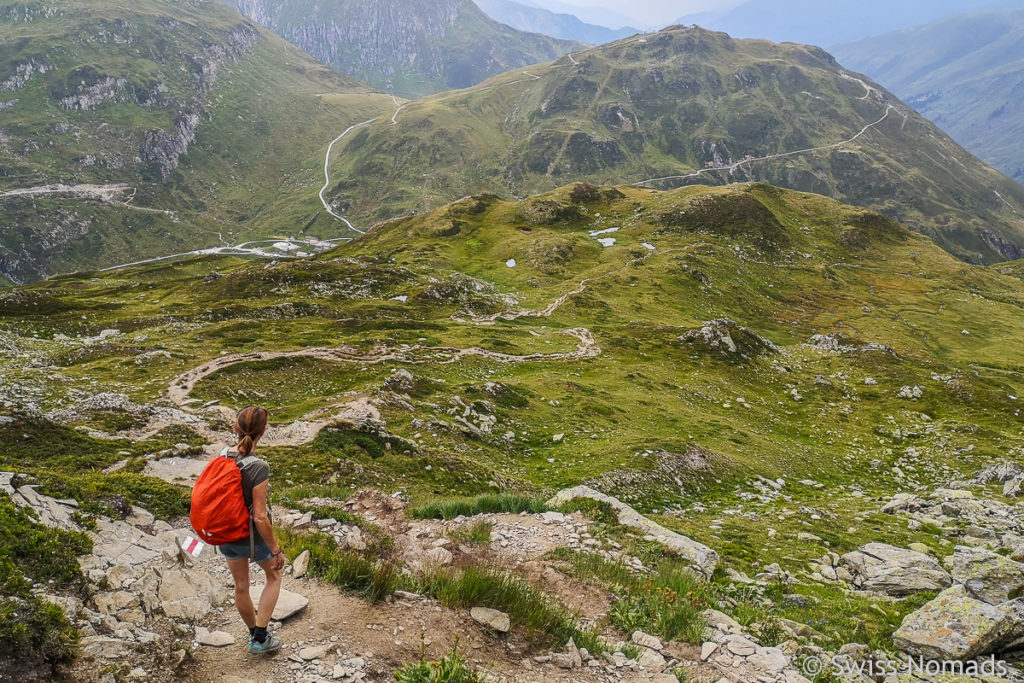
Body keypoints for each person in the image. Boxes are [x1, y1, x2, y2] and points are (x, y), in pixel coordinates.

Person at [219, 406, 285, 655]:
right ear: (263, 431)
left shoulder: (223, 454)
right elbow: (259, 516)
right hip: (250, 536)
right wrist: (275, 549)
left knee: (241, 586)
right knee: (275, 576)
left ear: (236, 428)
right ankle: (259, 638)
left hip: (225, 531)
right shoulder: (259, 467)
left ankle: (253, 634)